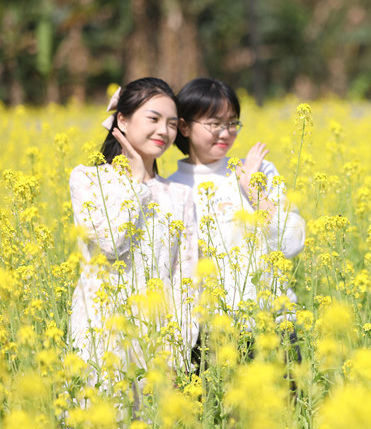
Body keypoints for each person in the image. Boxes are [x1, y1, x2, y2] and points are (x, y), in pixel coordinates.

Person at [69, 77, 198, 390]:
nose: (163, 131)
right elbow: (112, 242)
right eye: (153, 119)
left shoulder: (180, 195)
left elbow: (188, 281)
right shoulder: (87, 179)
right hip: (100, 336)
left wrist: (180, 349)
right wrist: (137, 183)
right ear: (122, 120)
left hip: (157, 342)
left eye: (170, 123)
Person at [168, 77, 305, 341]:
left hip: (273, 327)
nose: (226, 132)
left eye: (232, 123)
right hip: (208, 335)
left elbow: (292, 244)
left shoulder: (260, 171)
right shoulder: (171, 188)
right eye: (214, 124)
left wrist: (253, 189)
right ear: (184, 126)